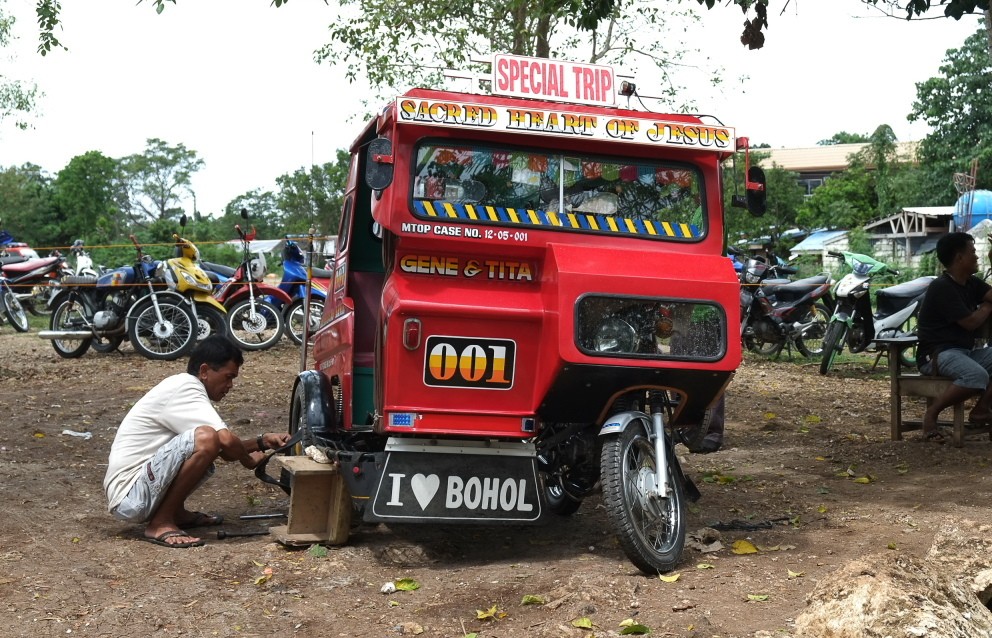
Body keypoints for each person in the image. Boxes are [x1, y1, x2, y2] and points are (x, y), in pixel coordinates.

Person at [103, 334, 291, 547]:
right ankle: (161, 522)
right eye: (228, 377)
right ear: (204, 371)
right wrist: (248, 460)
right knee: (206, 437)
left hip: (138, 494)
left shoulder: (184, 389)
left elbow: (226, 449)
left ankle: (176, 513)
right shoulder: (185, 386)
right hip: (130, 498)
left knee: (207, 440)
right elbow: (225, 442)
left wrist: (262, 442)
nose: (230, 385)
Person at [916, 232, 992, 444]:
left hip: (964, 353)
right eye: (973, 252)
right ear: (959, 258)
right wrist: (986, 306)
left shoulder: (971, 283)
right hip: (938, 355)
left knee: (978, 372)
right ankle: (932, 414)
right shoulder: (942, 287)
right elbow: (970, 322)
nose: (977, 257)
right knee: (977, 376)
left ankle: (982, 409)